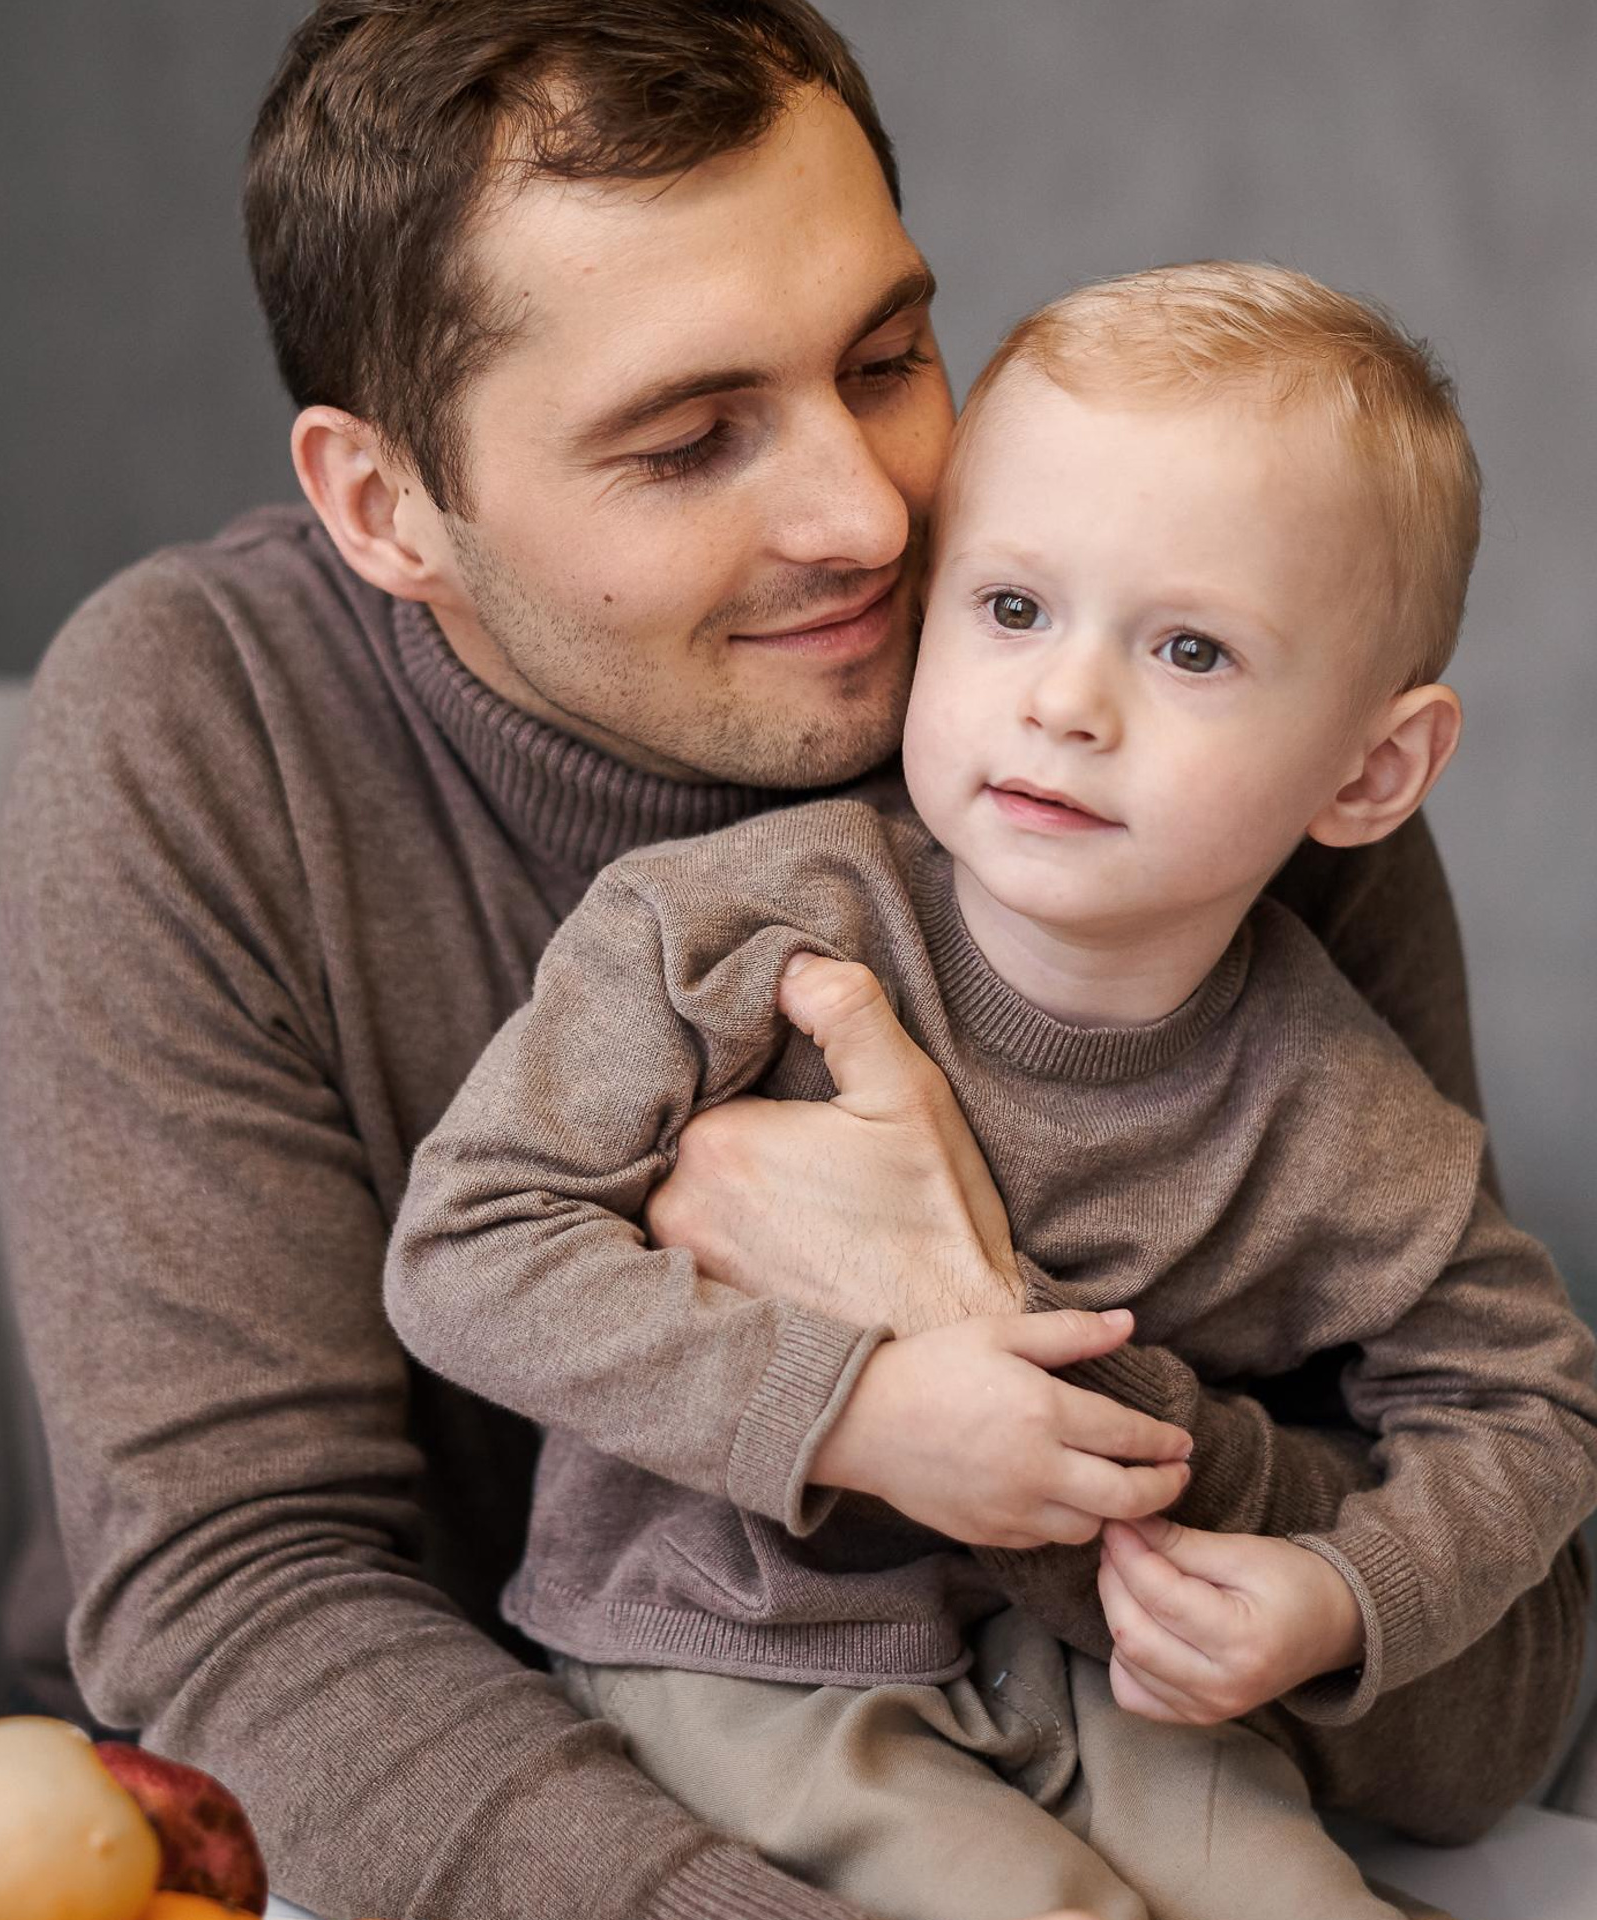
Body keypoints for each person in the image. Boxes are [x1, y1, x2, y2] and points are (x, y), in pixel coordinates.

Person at [0, 6, 1591, 1918]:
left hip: (1077, 1754)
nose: (871, 521)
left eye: (889, 359)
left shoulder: (1187, 753)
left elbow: (1491, 1709)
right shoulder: (200, 729)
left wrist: (964, 1325)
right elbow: (246, 1608)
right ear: (385, 505)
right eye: (688, 443)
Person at [383, 260, 1597, 1920]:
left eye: (1189, 648)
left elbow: (1529, 1405)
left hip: (1109, 1671)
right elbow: (466, 1247)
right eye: (1014, 608)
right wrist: (857, 1410)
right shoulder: (738, 927)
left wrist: (1338, 1594)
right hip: (740, 1650)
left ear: (1371, 770)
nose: (1065, 702)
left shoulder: (1335, 1100)